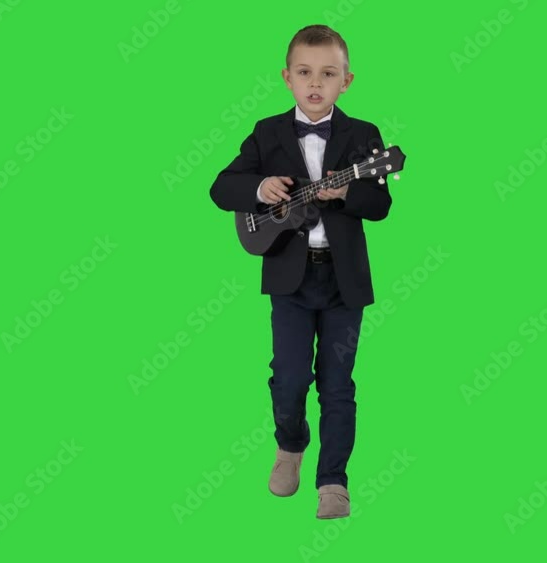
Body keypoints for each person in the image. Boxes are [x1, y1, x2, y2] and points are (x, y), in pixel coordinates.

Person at [209, 24, 392, 519]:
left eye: (328, 74)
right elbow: (221, 189)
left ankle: (333, 479)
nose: (316, 83)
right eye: (305, 73)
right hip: (290, 282)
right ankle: (290, 446)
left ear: (346, 81)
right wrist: (261, 187)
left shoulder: (363, 137)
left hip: (343, 282)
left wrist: (346, 192)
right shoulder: (267, 133)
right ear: (287, 78)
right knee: (289, 377)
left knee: (338, 382)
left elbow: (379, 204)